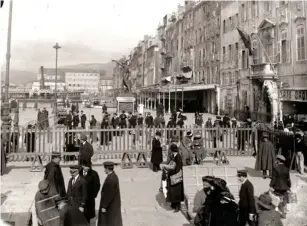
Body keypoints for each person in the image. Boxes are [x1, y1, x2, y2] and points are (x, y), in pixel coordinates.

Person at [160, 144, 184, 212]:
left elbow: (177, 167)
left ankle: (177, 206)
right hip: (172, 175)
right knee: (172, 191)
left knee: (176, 192)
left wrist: (169, 168)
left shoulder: (178, 157)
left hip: (176, 176)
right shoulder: (174, 156)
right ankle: (173, 204)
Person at [97, 161, 123, 226]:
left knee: (110, 221)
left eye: (105, 168)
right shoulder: (112, 176)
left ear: (107, 169)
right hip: (112, 204)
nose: (104, 170)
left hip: (110, 205)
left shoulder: (111, 179)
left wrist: (104, 206)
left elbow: (109, 195)